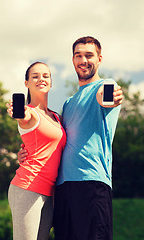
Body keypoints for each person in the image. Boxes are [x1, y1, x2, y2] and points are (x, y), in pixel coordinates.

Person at [18, 36, 123, 240]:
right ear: (73, 60)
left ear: (99, 59)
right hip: (63, 189)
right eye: (78, 55)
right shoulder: (68, 103)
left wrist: (112, 97)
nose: (83, 60)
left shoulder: (106, 85)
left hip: (92, 183)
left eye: (89, 55)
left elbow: (108, 97)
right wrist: (26, 153)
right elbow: (56, 142)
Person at [6, 62, 66, 240]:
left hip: (49, 193)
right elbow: (24, 117)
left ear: (51, 82)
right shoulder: (30, 113)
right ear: (26, 83)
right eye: (35, 76)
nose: (41, 79)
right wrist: (19, 113)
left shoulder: (56, 117)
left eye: (46, 76)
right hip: (28, 187)